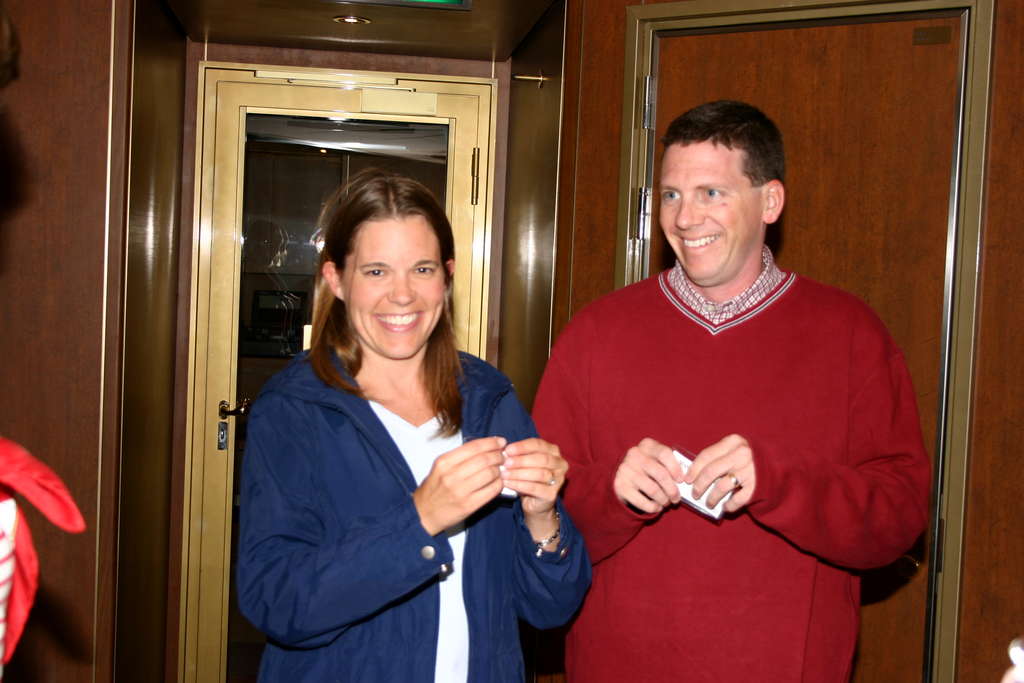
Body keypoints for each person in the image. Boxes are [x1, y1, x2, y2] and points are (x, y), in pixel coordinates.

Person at [533, 100, 931, 682]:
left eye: (711, 193)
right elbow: (533, 525)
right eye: (671, 194)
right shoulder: (594, 335)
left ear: (770, 202)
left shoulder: (850, 334)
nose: (685, 217)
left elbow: (897, 520)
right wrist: (610, 492)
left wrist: (779, 483)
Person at [236, 169, 590, 682]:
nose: (402, 295)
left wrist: (542, 516)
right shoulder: (295, 411)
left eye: (421, 269)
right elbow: (276, 602)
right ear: (337, 280)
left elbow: (550, 608)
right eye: (376, 271)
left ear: (446, 277)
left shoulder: (488, 398)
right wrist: (421, 519)